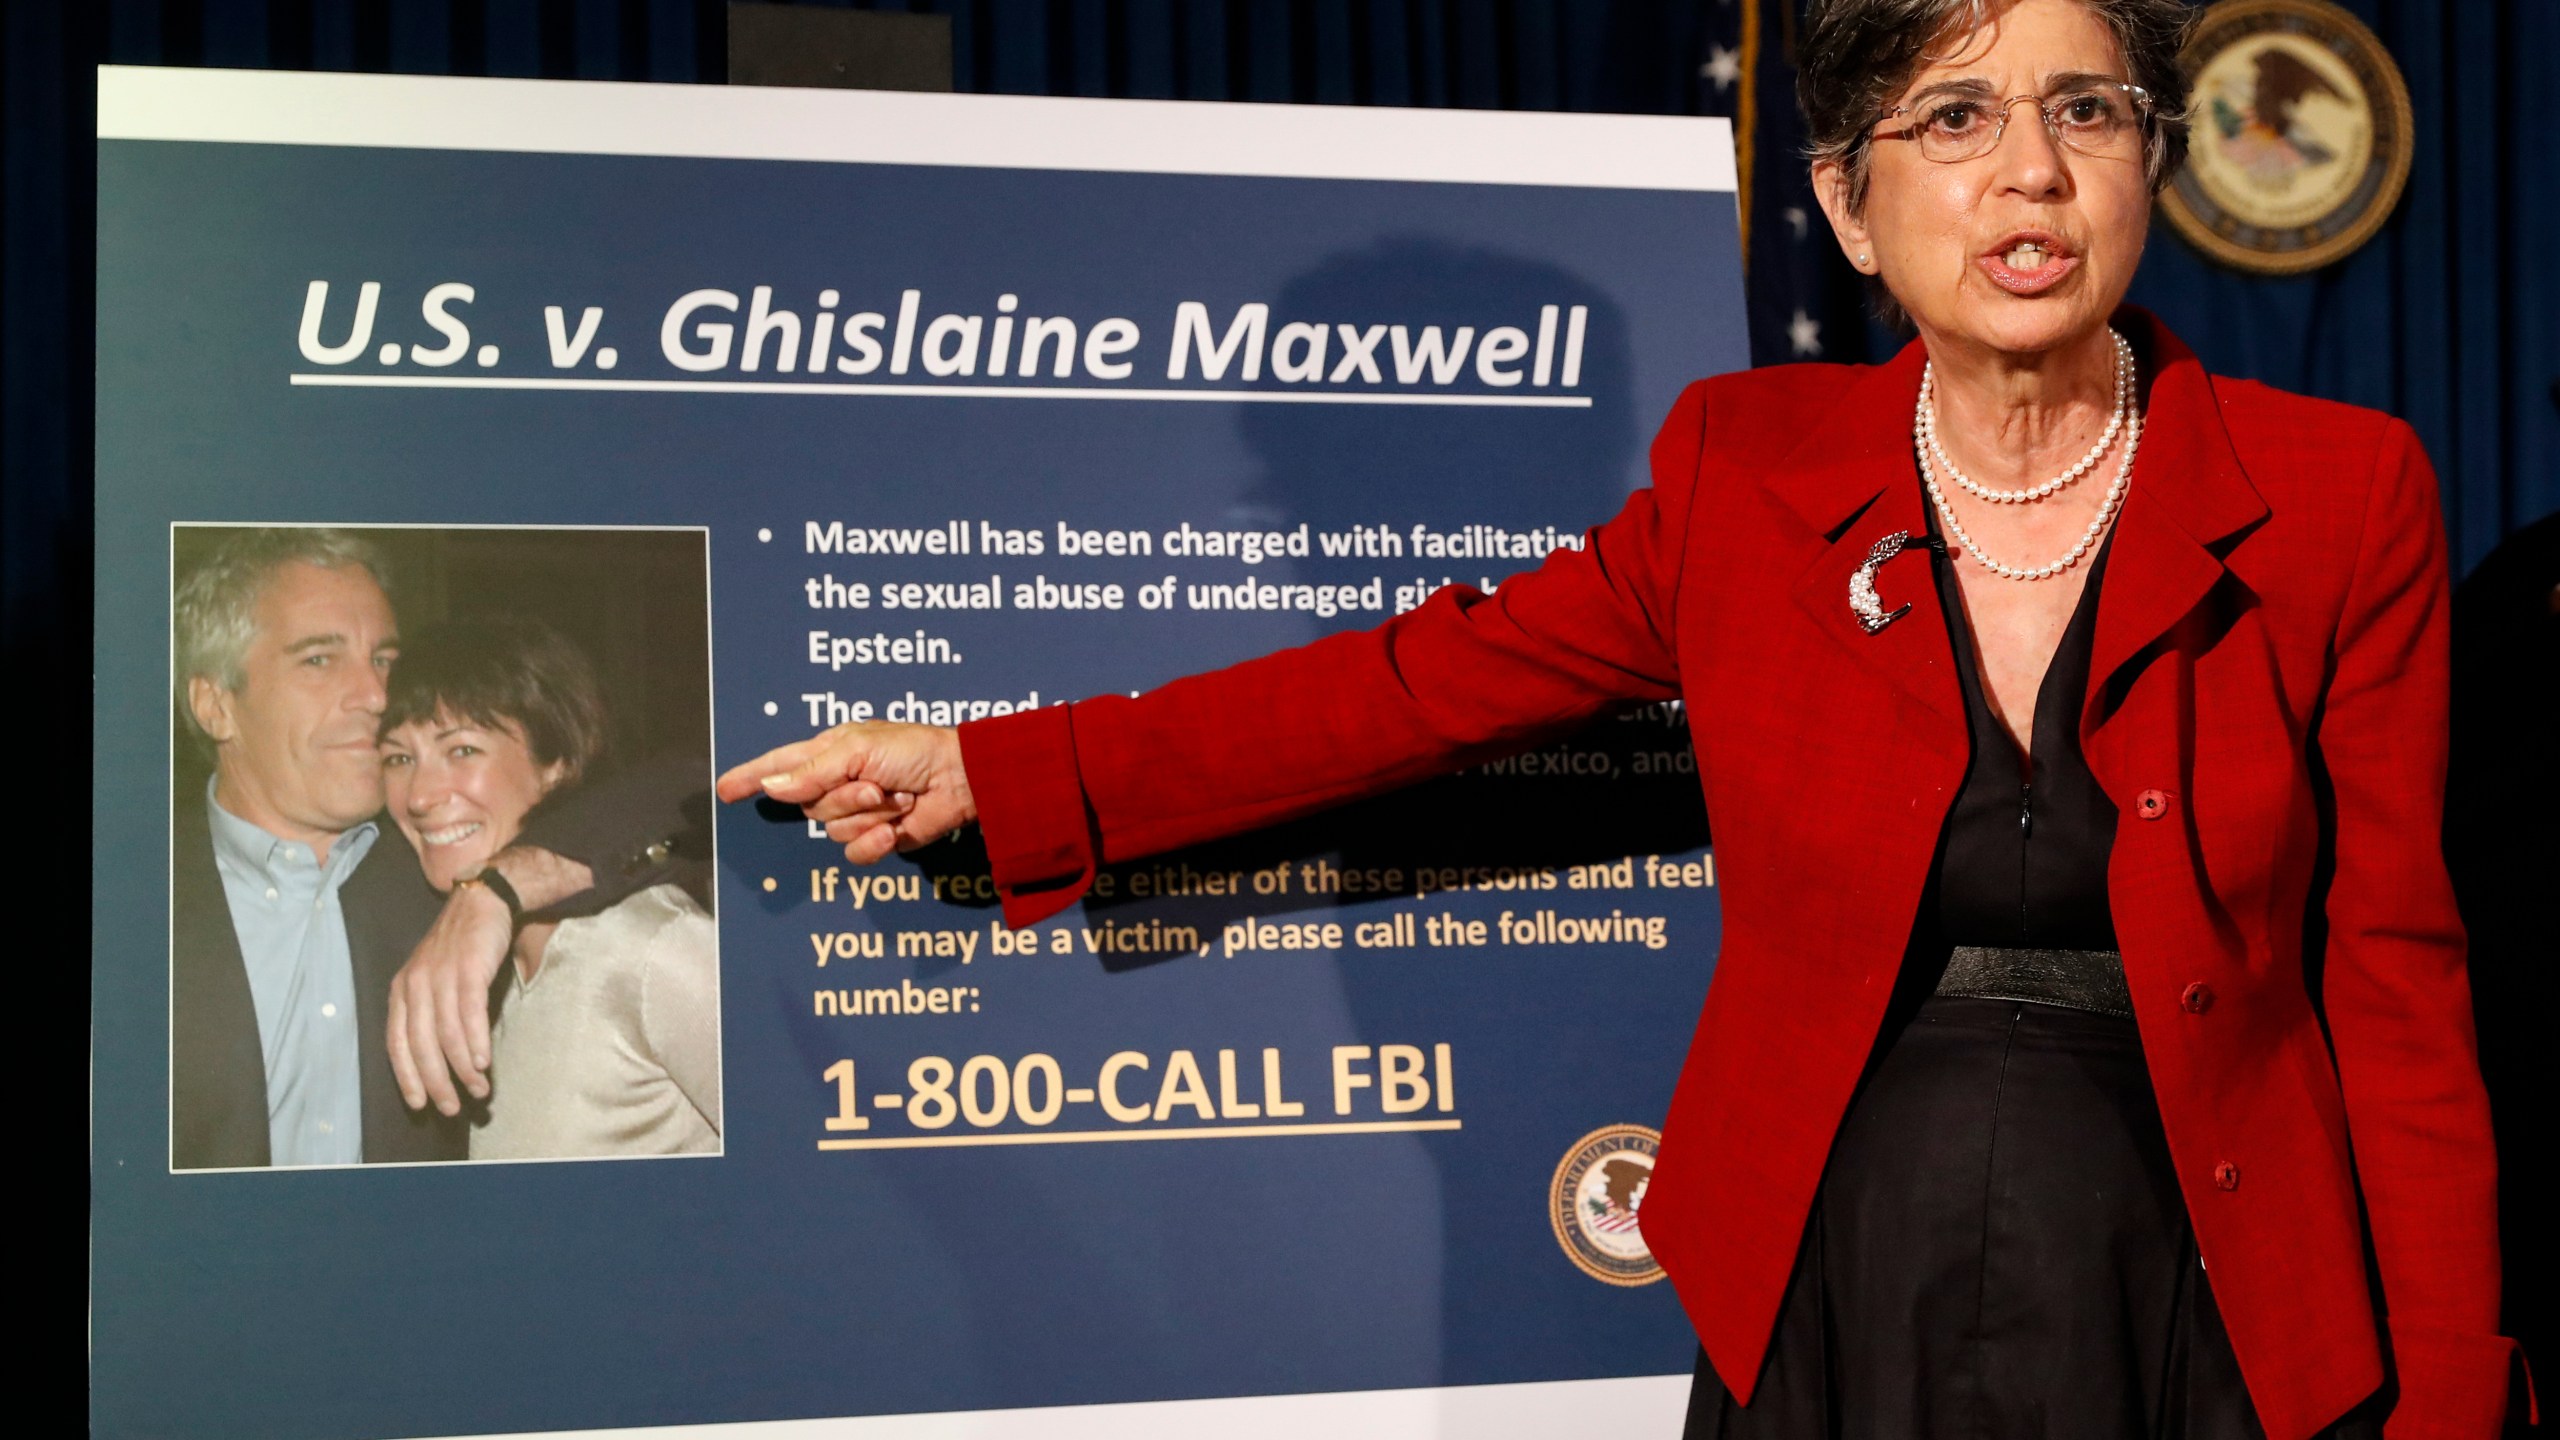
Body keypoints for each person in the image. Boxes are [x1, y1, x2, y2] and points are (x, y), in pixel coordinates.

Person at [719, 0, 2529, 1434]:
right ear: (1848, 203)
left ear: (2148, 160)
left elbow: (2397, 989)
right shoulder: (1746, 477)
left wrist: (2451, 1397)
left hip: (2207, 1280)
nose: (2029, 176)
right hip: (1834, 1265)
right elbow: (1409, 686)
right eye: (1956, 119)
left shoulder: (2338, 493)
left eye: (2085, 110)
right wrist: (993, 765)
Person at [171, 528, 694, 1169]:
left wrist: (500, 888)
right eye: (319, 659)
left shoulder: (447, 863)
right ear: (215, 704)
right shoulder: (128, 895)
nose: (374, 695)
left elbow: (695, 788)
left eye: (385, 659)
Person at [376, 619, 721, 1159]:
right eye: (399, 758)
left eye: (462, 750)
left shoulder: (652, 949)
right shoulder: (491, 962)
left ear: (557, 762)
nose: (419, 796)